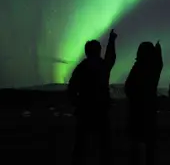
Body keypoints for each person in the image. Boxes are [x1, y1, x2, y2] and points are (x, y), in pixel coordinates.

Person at [67, 29, 117, 165]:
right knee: (103, 144)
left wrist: (76, 103)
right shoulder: (102, 66)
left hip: (85, 110)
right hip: (99, 110)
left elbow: (71, 88)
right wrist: (112, 41)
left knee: (82, 144)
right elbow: (110, 58)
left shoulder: (81, 68)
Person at [125, 40, 163, 165]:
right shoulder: (154, 68)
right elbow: (159, 63)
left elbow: (128, 87)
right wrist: (158, 50)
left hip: (137, 109)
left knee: (136, 141)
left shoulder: (138, 67)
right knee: (149, 142)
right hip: (149, 109)